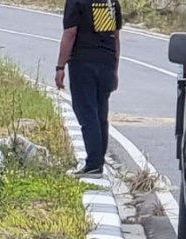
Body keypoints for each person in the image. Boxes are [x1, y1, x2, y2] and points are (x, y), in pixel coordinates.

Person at [56, 0, 122, 177]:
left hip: (83, 62)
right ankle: (97, 162)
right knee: (101, 114)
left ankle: (93, 164)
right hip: (107, 62)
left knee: (87, 112)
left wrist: (60, 67)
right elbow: (115, 37)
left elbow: (70, 33)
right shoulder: (110, 2)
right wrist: (114, 70)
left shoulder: (76, 1)